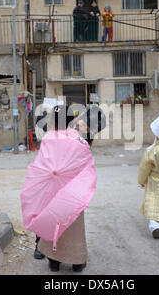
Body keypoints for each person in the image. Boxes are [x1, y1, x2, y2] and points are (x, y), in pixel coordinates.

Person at [22, 105, 98, 273]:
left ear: (53, 121)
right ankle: (77, 262)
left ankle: (54, 262)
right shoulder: (78, 139)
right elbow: (85, 162)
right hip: (73, 192)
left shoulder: (48, 138)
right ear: (71, 120)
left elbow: (43, 164)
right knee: (74, 226)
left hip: (52, 190)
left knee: (53, 222)